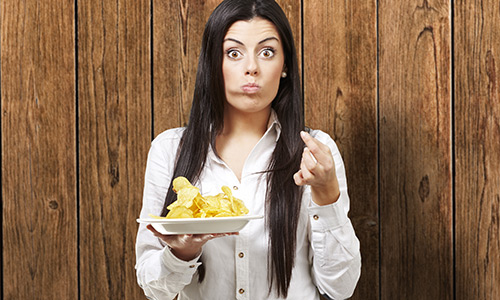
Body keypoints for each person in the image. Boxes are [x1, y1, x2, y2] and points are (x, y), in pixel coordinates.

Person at [135, 0, 361, 299]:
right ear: (214, 64)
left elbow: (340, 288)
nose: (251, 68)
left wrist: (326, 193)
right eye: (233, 53)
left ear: (285, 66)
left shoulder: (317, 152)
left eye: (267, 52)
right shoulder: (169, 150)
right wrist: (183, 253)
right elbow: (154, 289)